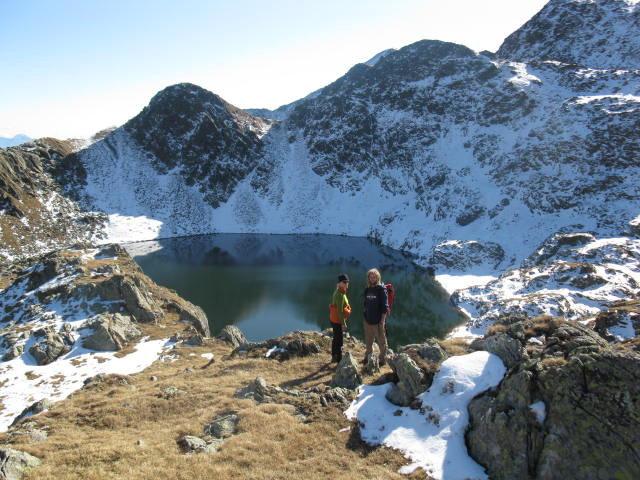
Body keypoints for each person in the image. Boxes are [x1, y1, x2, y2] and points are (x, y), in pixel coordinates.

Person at [363, 268, 389, 366]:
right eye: (371, 277)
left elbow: (385, 306)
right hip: (368, 320)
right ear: (368, 278)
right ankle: (368, 357)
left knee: (381, 341)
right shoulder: (367, 289)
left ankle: (383, 359)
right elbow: (365, 304)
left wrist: (382, 320)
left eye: (374, 277)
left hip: (378, 321)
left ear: (378, 277)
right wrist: (365, 317)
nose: (372, 278)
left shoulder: (381, 289)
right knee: (368, 341)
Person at [329, 273, 351, 363]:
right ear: (339, 283)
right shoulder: (340, 295)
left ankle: (334, 356)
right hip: (337, 321)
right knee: (339, 340)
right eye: (344, 282)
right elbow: (340, 311)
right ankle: (339, 359)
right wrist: (343, 324)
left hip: (334, 319)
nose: (346, 283)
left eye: (347, 282)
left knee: (336, 338)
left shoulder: (340, 291)